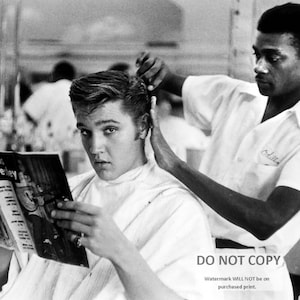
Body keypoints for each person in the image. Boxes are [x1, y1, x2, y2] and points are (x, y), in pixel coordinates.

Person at [0, 71, 220, 300]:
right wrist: (6, 234)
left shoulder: (176, 208)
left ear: (143, 126)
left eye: (110, 130)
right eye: (85, 131)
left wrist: (120, 251)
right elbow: (18, 278)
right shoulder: (69, 192)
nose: (95, 148)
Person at [136, 3, 300, 300]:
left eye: (273, 58)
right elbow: (169, 80)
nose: (259, 66)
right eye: (257, 54)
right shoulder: (235, 95)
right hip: (198, 256)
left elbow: (267, 220)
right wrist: (155, 68)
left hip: (252, 274)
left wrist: (175, 165)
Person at [22, 60, 78, 152]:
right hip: (72, 147)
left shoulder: (47, 89)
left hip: (47, 147)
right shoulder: (79, 93)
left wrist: (37, 125)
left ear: (55, 74)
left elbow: (29, 113)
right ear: (73, 76)